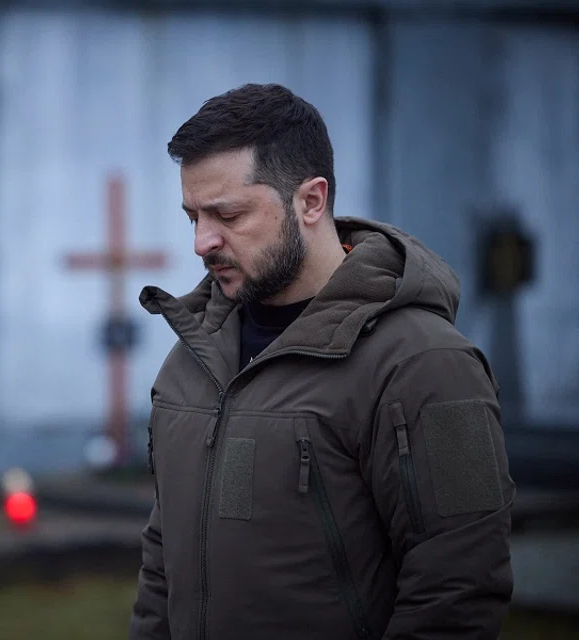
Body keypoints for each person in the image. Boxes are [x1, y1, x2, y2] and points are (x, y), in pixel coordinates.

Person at [128, 83, 515, 640]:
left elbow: (458, 591)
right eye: (193, 216)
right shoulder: (192, 359)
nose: (201, 242)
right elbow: (164, 561)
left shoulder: (426, 366)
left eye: (228, 215)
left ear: (311, 200)